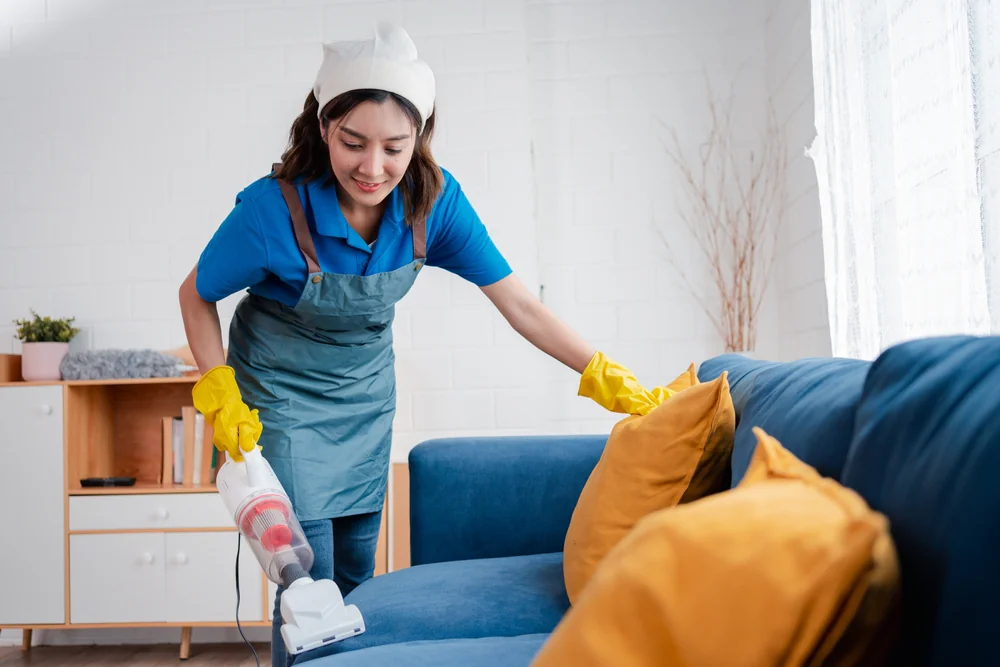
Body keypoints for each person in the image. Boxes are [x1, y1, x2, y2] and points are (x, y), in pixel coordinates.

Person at [178, 22, 665, 667]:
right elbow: (196, 293)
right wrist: (220, 394)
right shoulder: (273, 210)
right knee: (307, 577)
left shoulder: (434, 204)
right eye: (352, 142)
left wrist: (611, 380)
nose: (371, 168)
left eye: (394, 147)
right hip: (280, 400)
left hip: (363, 398)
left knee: (356, 568)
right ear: (323, 128)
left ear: (420, 140)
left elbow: (519, 304)